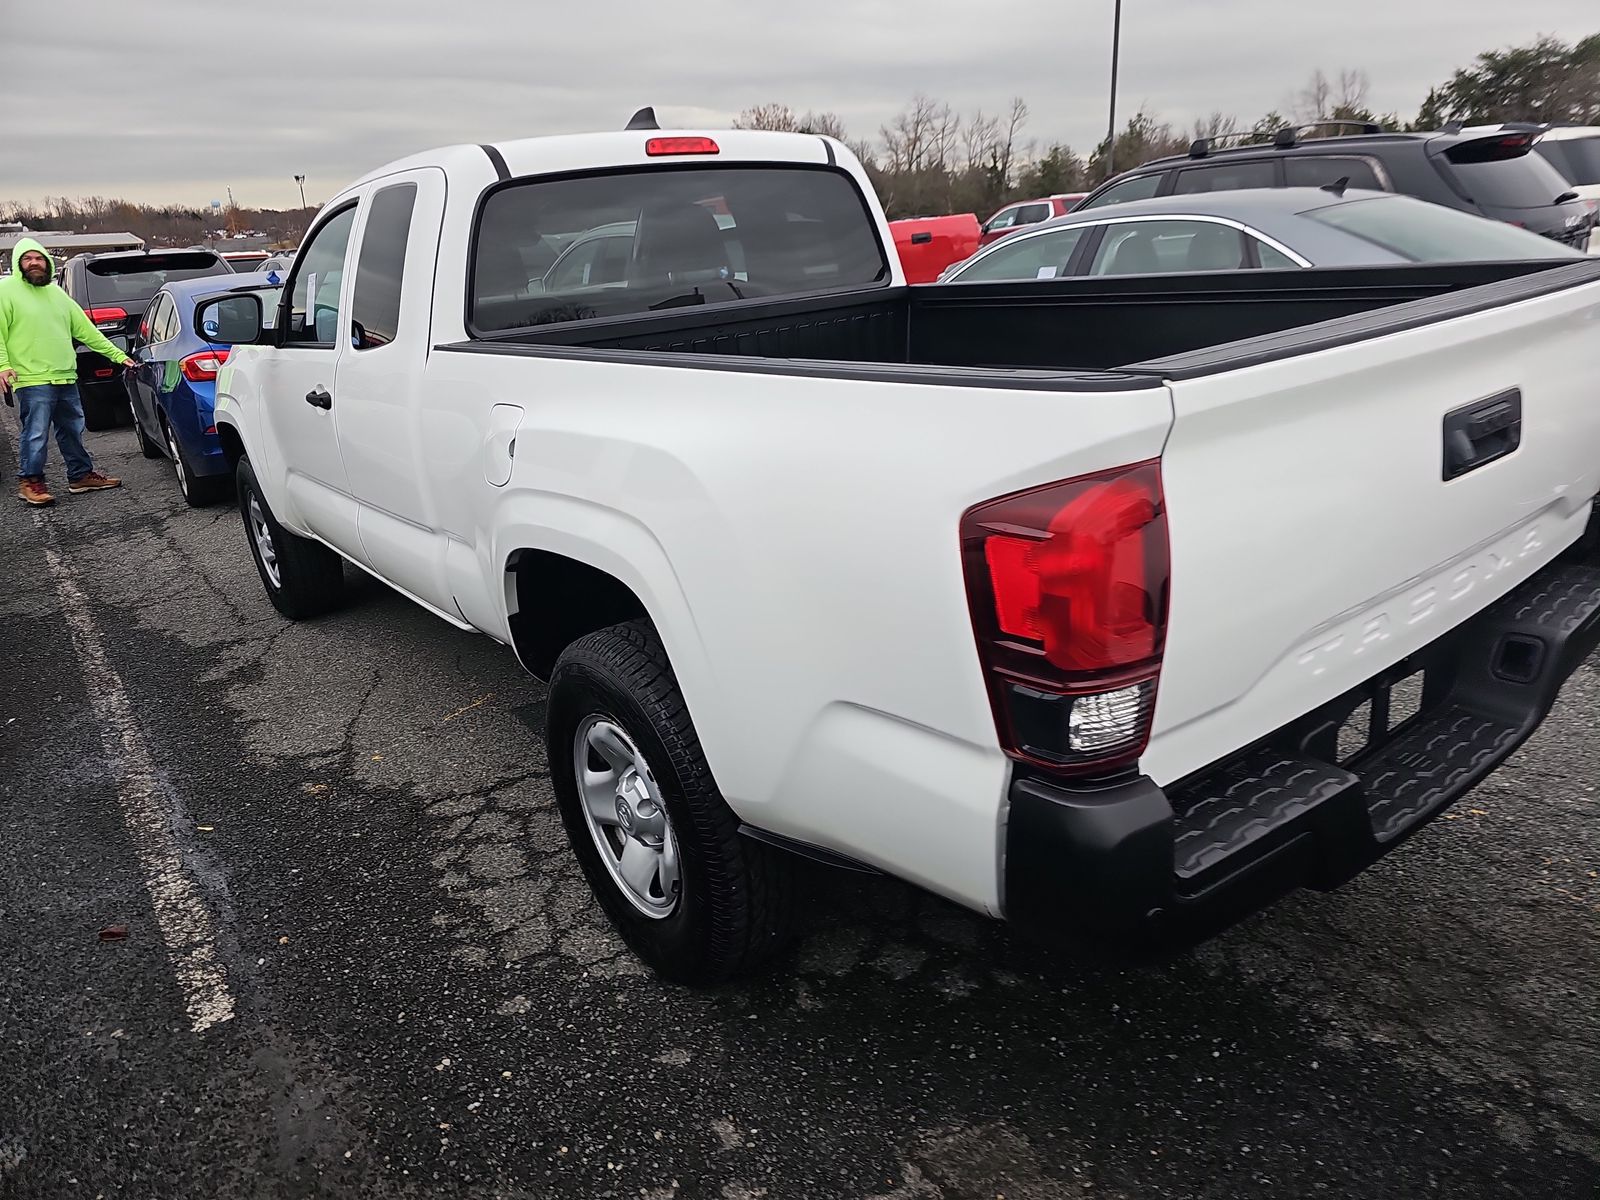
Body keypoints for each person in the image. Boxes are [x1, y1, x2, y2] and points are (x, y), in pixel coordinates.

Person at [0, 237, 129, 507]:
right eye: (27, 259)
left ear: (47, 262)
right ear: (18, 263)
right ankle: (31, 482)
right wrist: (3, 366)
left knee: (72, 429)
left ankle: (80, 475)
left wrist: (118, 355)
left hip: (65, 375)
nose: (34, 263)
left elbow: (86, 331)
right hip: (31, 378)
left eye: (38, 258)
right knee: (35, 433)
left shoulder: (58, 294)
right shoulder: (6, 290)